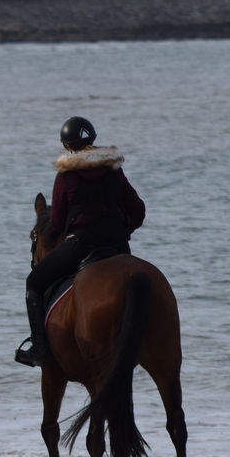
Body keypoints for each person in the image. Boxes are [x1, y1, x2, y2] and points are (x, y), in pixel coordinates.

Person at [14, 116, 145, 368]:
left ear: (67, 145)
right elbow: (138, 210)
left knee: (34, 282)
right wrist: (121, 229)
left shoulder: (66, 175)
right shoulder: (113, 170)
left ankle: (39, 348)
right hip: (119, 245)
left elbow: (58, 221)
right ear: (92, 139)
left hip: (81, 244)